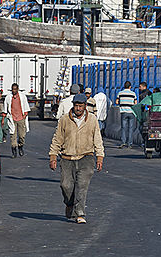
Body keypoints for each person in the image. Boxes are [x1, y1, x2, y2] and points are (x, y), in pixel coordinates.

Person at [49, 93, 104, 224]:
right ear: (73, 105)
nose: (78, 108)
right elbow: (57, 139)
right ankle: (69, 204)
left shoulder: (92, 120)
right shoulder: (64, 120)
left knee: (82, 186)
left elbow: (97, 138)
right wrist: (53, 156)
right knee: (66, 186)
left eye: (80, 106)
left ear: (85, 106)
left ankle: (80, 213)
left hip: (86, 157)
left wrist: (100, 157)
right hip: (67, 158)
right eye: (76, 105)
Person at [4, 83, 31, 157]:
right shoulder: (8, 97)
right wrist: (5, 118)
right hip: (12, 119)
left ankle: (20, 146)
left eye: (15, 89)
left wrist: (25, 114)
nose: (14, 91)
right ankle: (14, 151)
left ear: (18, 89)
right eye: (13, 89)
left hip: (21, 118)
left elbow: (26, 108)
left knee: (22, 136)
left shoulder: (22, 97)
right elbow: (5, 110)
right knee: (13, 136)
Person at [116, 81, 137, 148]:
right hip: (131, 112)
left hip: (123, 112)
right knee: (130, 128)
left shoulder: (120, 93)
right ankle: (130, 143)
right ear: (130, 87)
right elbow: (135, 103)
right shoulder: (133, 94)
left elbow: (116, 102)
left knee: (123, 128)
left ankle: (123, 142)